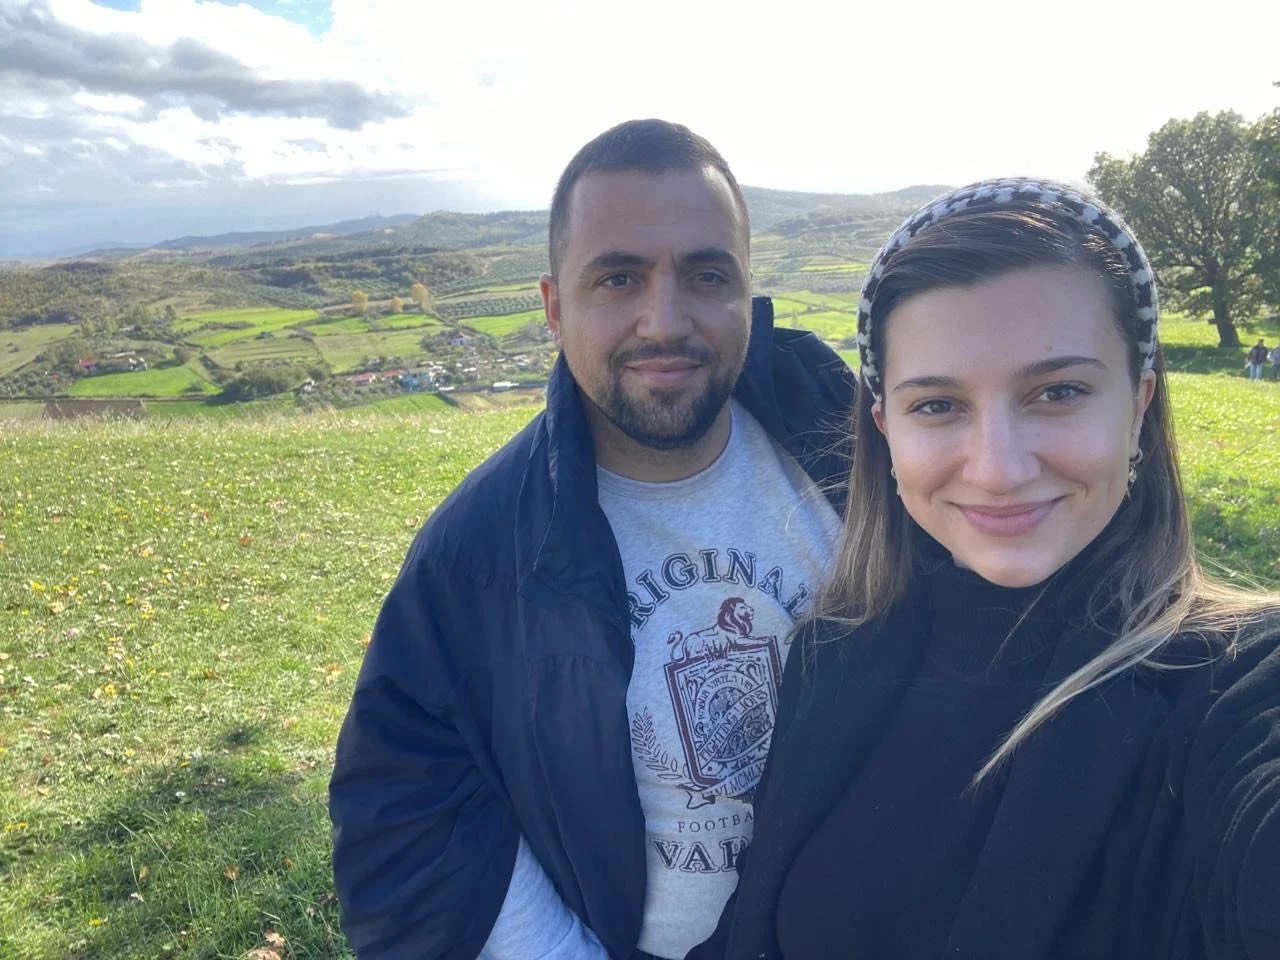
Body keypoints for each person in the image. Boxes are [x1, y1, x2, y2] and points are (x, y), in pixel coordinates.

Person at [691, 179, 1280, 960]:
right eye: (937, 405)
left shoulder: (1233, 688)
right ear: (885, 427)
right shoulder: (831, 654)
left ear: (1138, 404)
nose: (998, 469)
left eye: (1058, 392)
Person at [327, 119, 855, 960]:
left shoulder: (855, 457)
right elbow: (407, 802)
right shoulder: (477, 554)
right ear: (552, 308)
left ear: (746, 288)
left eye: (706, 273)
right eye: (617, 279)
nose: (664, 321)